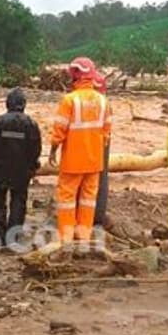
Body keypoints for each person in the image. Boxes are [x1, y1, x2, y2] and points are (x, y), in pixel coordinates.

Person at [48, 57, 111, 249]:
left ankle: (66, 238)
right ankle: (83, 236)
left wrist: (53, 151)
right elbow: (106, 133)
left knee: (66, 197)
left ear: (76, 75)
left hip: (73, 161)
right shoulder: (103, 101)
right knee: (88, 199)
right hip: (95, 161)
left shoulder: (69, 100)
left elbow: (59, 130)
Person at [0, 88, 42, 247]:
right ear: (24, 104)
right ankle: (14, 236)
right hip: (21, 171)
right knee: (18, 201)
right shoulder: (31, 124)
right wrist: (32, 166)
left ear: (7, 103)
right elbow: (36, 148)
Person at [91, 71, 111, 227]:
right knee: (102, 176)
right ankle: (98, 214)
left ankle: (91, 215)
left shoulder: (80, 101)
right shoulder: (106, 104)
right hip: (103, 140)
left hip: (88, 144)